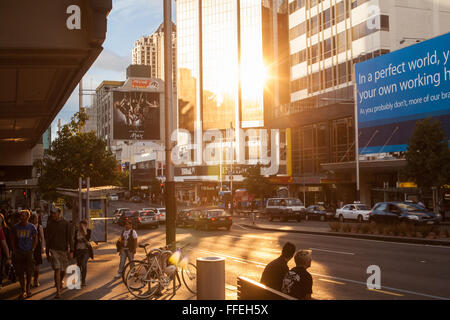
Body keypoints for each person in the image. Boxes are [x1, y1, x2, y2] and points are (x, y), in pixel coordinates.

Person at [45, 208, 73, 299]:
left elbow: (70, 238)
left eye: (54, 213)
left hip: (63, 250)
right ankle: (58, 291)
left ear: (59, 213)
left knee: (63, 270)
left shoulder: (66, 224)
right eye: (51, 213)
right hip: (53, 250)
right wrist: (47, 252)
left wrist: (71, 251)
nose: (52, 215)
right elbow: (47, 239)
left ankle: (59, 281)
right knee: (57, 269)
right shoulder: (49, 224)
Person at [10, 210, 37, 299]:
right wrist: (14, 250)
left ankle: (28, 288)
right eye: (21, 216)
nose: (21, 217)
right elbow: (12, 239)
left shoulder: (32, 227)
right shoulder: (15, 227)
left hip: (28, 252)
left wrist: (32, 249)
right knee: (20, 272)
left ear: (27, 217)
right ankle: (23, 290)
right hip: (19, 252)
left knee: (29, 272)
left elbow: (35, 238)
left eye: (23, 216)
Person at [74, 219, 92, 286]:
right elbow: (75, 240)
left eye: (85, 225)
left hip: (86, 250)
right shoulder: (77, 232)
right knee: (79, 265)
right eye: (81, 225)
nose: (83, 226)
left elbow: (87, 239)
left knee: (83, 264)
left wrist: (84, 231)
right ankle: (78, 279)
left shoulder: (88, 231)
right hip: (78, 250)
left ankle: (83, 281)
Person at [30, 213, 45, 288]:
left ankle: (36, 280)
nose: (37, 219)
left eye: (37, 218)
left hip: (37, 248)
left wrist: (42, 247)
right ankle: (30, 281)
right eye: (36, 218)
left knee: (37, 267)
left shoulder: (40, 227)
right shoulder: (28, 226)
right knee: (30, 266)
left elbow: (42, 238)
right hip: (29, 247)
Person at [0, 213, 12, 289]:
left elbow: (6, 243)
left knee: (2, 266)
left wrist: (8, 256)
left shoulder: (5, 229)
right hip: (2, 251)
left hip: (3, 251)